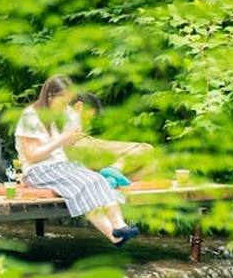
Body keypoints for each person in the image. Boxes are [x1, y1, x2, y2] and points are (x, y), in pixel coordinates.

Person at [14, 76, 139, 245]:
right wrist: (61, 139)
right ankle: (114, 235)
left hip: (62, 165)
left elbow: (70, 140)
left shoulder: (66, 113)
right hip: (38, 170)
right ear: (50, 96)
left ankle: (119, 227)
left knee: (97, 179)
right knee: (82, 184)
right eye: (62, 102)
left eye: (68, 102)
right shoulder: (31, 116)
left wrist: (73, 135)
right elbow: (33, 156)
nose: (65, 106)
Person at [63, 91, 154, 178]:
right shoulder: (71, 116)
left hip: (73, 158)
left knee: (150, 166)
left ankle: (111, 177)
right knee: (146, 149)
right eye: (89, 117)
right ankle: (114, 169)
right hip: (81, 145)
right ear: (79, 106)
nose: (89, 122)